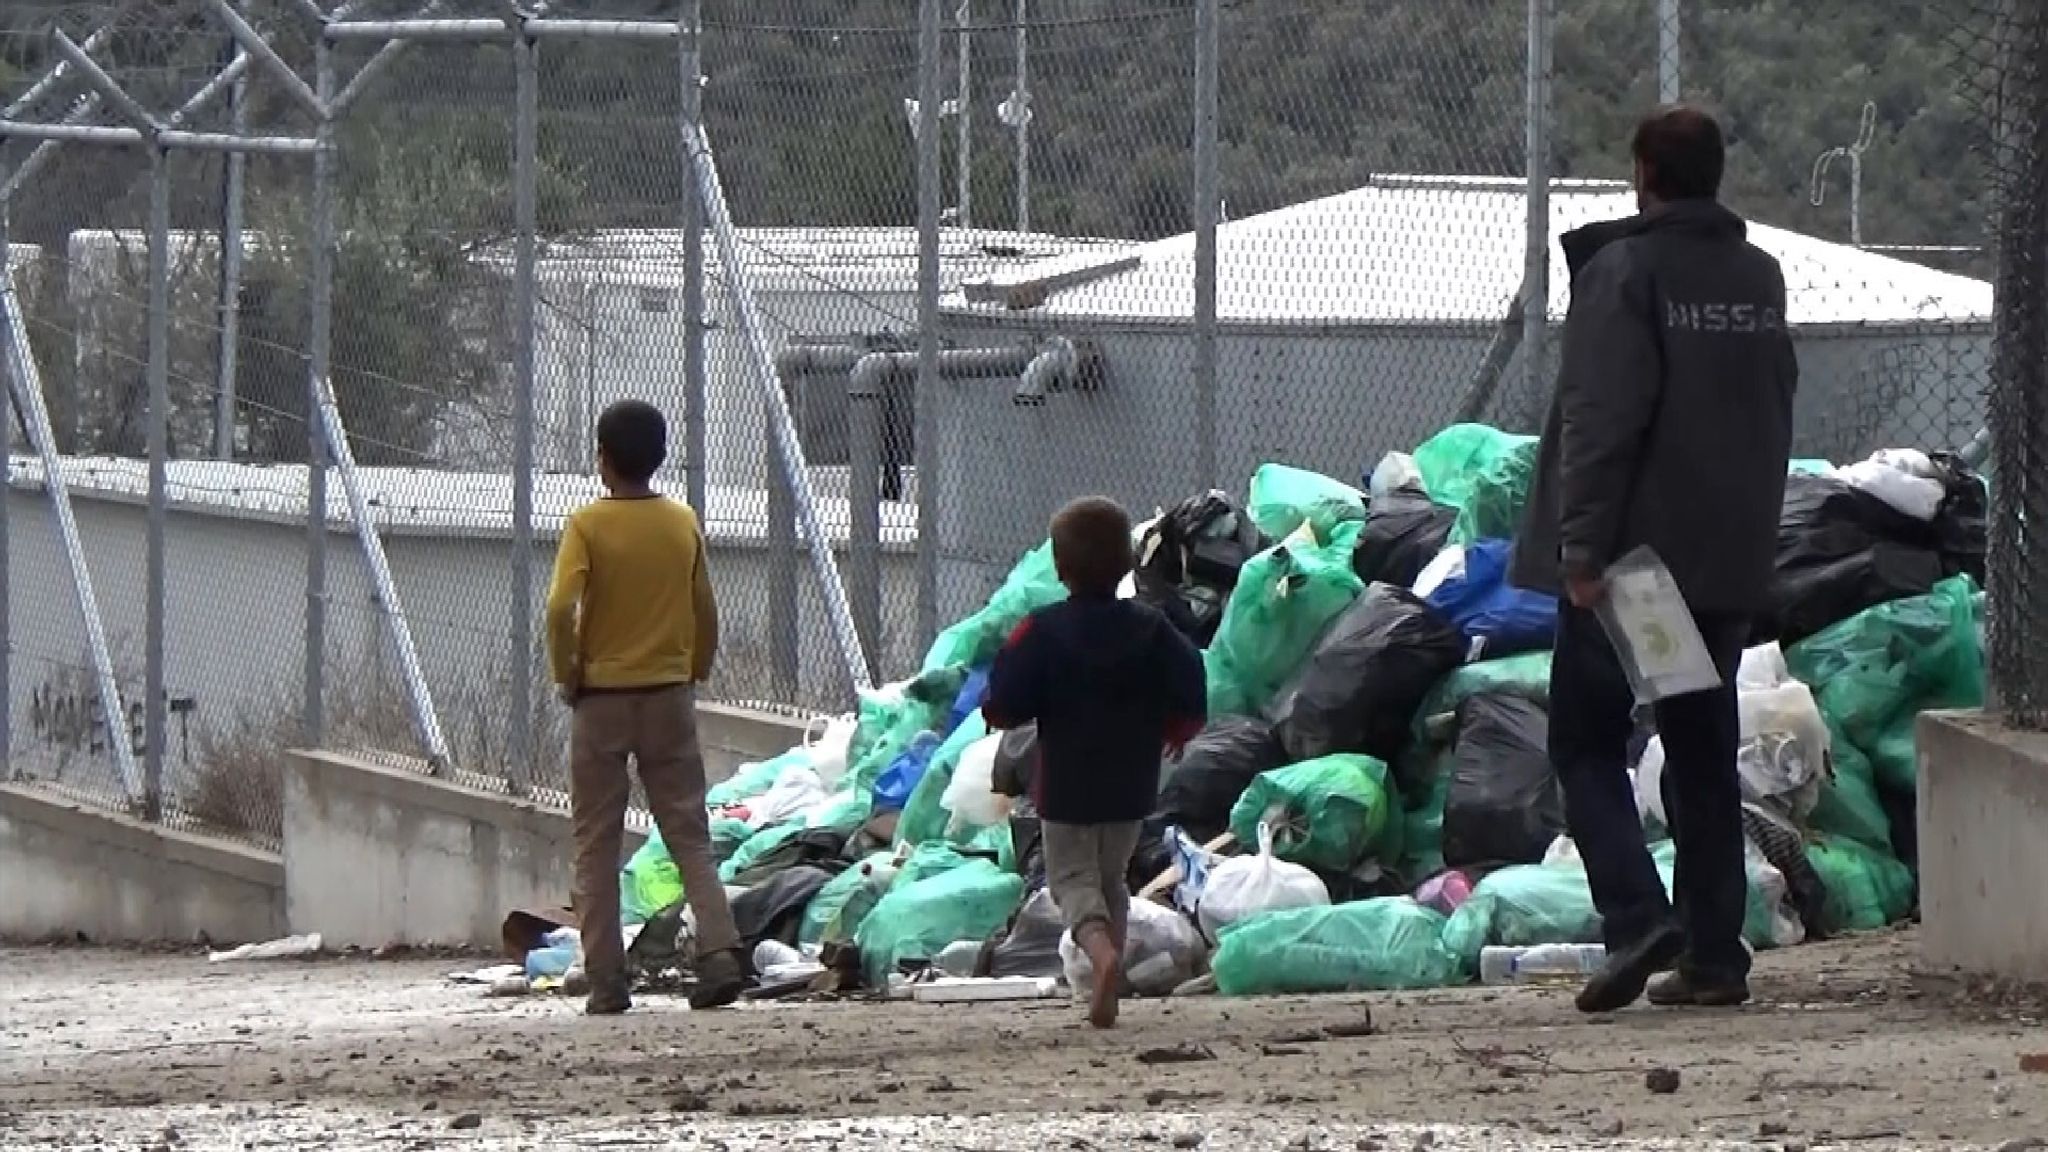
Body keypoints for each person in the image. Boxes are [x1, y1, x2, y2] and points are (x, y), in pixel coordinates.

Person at [1510, 105, 1798, 1014]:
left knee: (1586, 738)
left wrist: (1584, 552)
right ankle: (1715, 954)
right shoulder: (1758, 276)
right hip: (1727, 553)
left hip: (1639, 567)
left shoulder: (1627, 271)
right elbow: (1774, 402)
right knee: (1701, 747)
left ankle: (1636, 914)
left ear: (1644, 173)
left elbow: (1600, 420)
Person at [545, 398, 745, 1016]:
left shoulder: (587, 525)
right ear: (660, 457)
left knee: (596, 842)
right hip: (669, 694)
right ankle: (720, 955)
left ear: (602, 459)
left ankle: (607, 979)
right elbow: (705, 607)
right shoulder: (681, 521)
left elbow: (559, 609)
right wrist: (695, 666)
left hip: (601, 699)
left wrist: (568, 673)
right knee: (689, 833)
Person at [983, 496, 1207, 1029]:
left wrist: (999, 711)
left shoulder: (1042, 629)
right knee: (1112, 878)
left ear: (1060, 568)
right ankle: (1114, 976)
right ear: (1128, 562)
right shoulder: (1152, 628)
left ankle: (1103, 959)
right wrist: (1178, 728)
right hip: (1131, 780)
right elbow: (1192, 678)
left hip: (1068, 783)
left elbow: (1008, 694)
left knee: (1071, 881)